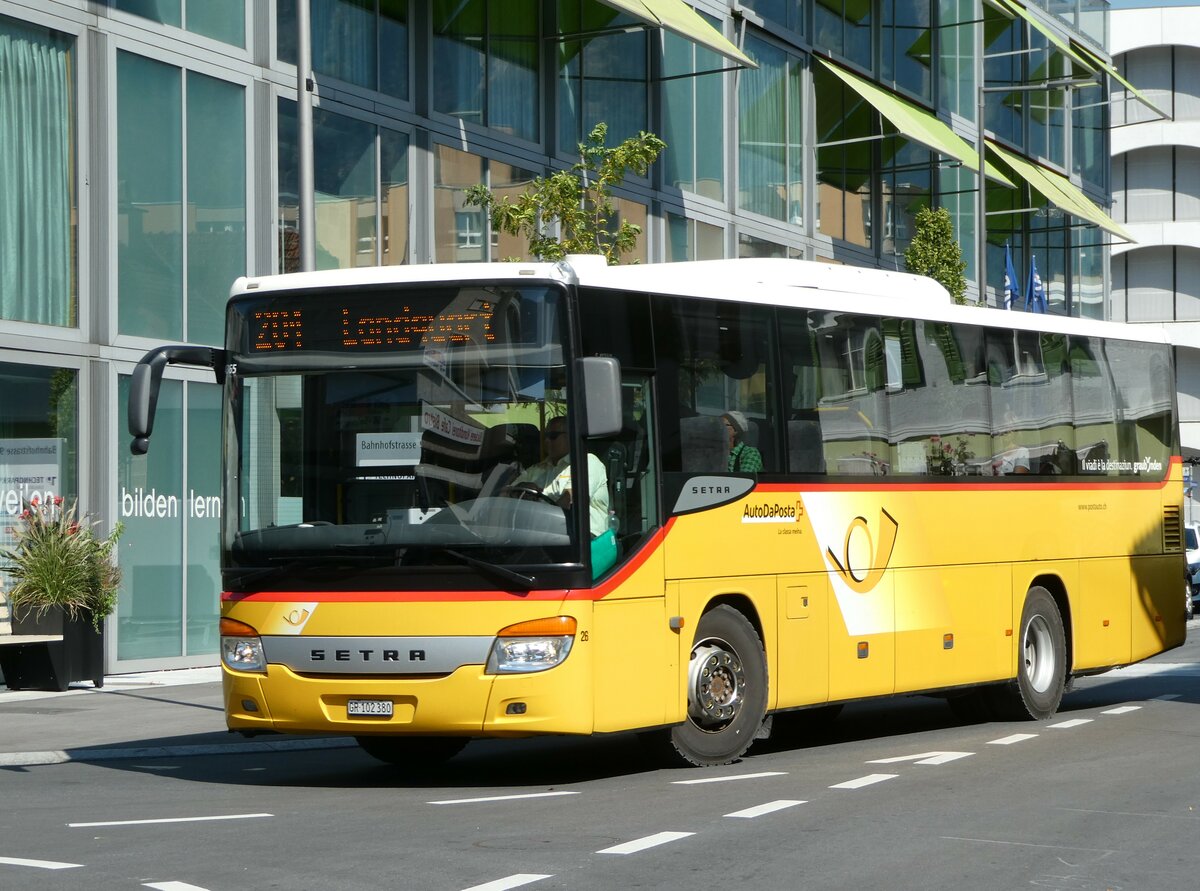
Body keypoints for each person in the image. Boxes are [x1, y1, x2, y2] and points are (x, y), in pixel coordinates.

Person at [511, 415, 610, 539]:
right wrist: (522, 487)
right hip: (542, 536)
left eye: (553, 436)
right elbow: (505, 493)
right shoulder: (537, 469)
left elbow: (568, 501)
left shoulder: (586, 462)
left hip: (584, 539)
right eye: (545, 437)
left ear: (571, 436)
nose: (547, 441)